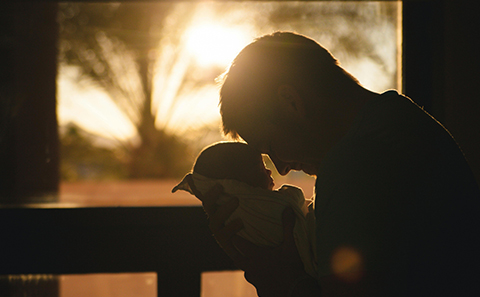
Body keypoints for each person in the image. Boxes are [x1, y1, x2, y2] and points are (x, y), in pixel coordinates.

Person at [198, 31, 480, 297]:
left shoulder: (354, 164)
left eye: (269, 147)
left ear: (290, 102)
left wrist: (273, 276)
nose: (281, 168)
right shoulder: (403, 120)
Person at [172, 141, 317, 278]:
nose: (271, 171)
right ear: (235, 185)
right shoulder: (257, 208)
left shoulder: (233, 218)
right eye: (260, 168)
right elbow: (295, 202)